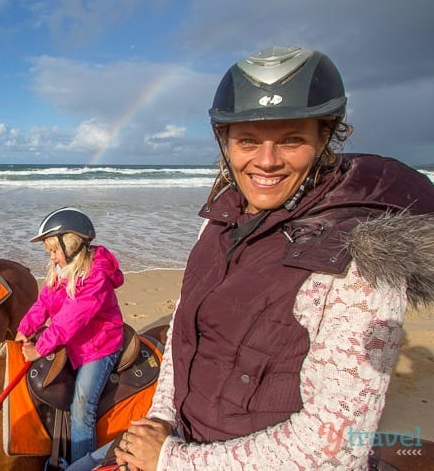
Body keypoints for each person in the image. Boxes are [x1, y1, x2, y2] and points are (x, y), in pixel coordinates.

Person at [114, 46, 434, 470]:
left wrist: (171, 461)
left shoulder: (359, 259)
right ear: (225, 141)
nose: (266, 161)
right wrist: (159, 421)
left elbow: (335, 446)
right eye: (247, 139)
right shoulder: (217, 222)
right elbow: (182, 331)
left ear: (325, 137)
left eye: (291, 139)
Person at [15, 207, 125, 465]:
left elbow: (70, 319)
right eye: (49, 252)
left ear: (72, 246)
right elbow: (43, 303)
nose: (51, 257)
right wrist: (25, 328)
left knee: (81, 407)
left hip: (100, 347)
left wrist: (40, 347)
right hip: (74, 343)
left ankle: (82, 464)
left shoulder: (95, 275)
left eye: (54, 250)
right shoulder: (59, 270)